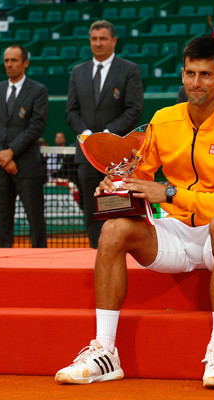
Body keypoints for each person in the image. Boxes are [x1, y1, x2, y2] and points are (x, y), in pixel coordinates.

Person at [55, 36, 214, 389]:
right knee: (114, 230)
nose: (197, 83)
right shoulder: (163, 120)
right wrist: (115, 184)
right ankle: (105, 351)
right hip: (175, 234)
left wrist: (169, 192)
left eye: (206, 75)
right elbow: (139, 175)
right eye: (191, 74)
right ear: (182, 75)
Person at [66, 20, 143, 249]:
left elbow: (134, 109)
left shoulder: (130, 70)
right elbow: (71, 111)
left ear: (113, 40)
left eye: (103, 38)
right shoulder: (77, 71)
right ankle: (94, 254)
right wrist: (90, 138)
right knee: (91, 210)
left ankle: (121, 254)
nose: (98, 43)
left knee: (119, 208)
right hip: (86, 155)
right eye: (94, 39)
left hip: (119, 156)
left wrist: (107, 136)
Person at [0, 45, 48, 248]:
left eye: (14, 60)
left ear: (25, 63)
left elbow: (36, 126)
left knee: (35, 221)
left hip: (28, 167)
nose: (9, 64)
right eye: (6, 61)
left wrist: (10, 152)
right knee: (3, 222)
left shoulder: (38, 90)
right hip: (0, 168)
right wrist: (2, 157)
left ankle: (42, 263)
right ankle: (3, 264)